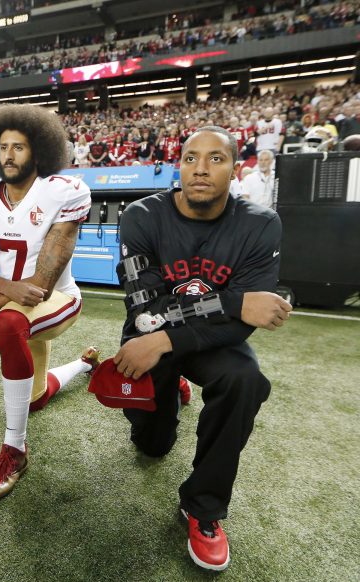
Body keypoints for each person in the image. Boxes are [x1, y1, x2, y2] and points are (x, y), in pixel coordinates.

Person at [110, 126, 291, 571]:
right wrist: (233, 302)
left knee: (244, 379)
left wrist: (170, 337)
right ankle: (171, 391)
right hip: (153, 336)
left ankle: (204, 507)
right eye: (191, 158)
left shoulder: (261, 224)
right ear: (179, 165)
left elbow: (238, 328)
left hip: (195, 341)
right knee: (152, 448)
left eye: (215, 159)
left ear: (235, 168)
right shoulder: (141, 216)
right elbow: (145, 312)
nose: (201, 169)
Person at [0, 105, 97, 503]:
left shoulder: (63, 193)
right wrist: (1, 290)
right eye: (3, 146)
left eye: (19, 147)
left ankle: (14, 450)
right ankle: (84, 363)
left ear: (39, 151)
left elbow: (40, 287)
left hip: (58, 298)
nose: (9, 155)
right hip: (19, 299)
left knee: (6, 325)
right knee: (34, 399)